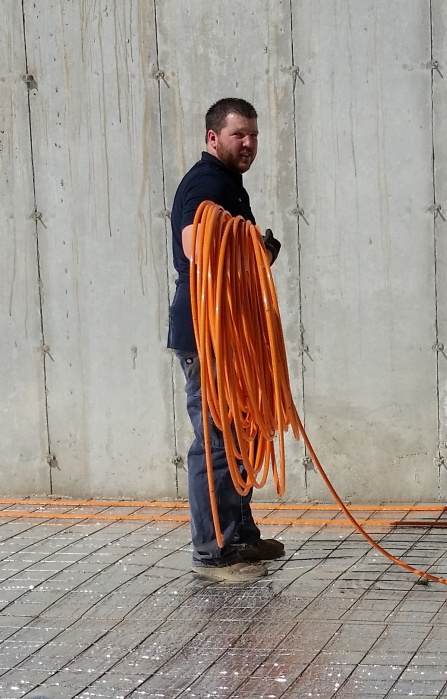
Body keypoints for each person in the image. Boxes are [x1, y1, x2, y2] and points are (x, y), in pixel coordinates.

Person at [167, 98, 284, 582]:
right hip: (205, 333)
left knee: (239, 433)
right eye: (239, 135)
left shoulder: (229, 184)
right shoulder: (206, 182)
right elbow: (199, 247)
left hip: (226, 333)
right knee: (215, 441)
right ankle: (213, 553)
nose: (249, 144)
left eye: (254, 135)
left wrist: (258, 250)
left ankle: (239, 538)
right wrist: (253, 247)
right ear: (213, 137)